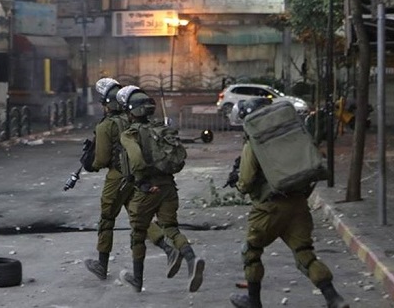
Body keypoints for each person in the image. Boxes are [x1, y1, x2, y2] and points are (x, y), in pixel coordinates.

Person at [229, 98, 349, 308]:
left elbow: (246, 180)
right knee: (305, 253)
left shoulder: (254, 142)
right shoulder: (289, 135)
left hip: (269, 209)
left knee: (251, 251)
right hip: (298, 204)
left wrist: (237, 184)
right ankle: (334, 298)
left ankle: (253, 300)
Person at [84, 78, 183, 281]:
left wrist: (89, 163)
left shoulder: (106, 126)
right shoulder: (129, 119)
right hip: (138, 177)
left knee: (107, 218)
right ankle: (167, 248)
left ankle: (102, 264)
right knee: (139, 219)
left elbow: (101, 159)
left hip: (117, 177)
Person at [115, 85, 205, 293]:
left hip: (148, 189)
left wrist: (141, 182)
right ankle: (192, 259)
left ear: (131, 111)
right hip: (168, 187)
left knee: (137, 233)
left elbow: (136, 161)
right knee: (171, 228)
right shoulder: (161, 129)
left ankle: (137, 280)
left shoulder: (129, 134)